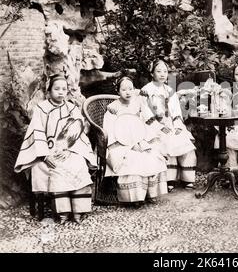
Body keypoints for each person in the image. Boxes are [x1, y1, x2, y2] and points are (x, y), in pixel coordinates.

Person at [14, 74, 96, 224]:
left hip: (70, 150)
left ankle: (78, 210)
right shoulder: (42, 108)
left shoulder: (72, 108)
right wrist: (45, 155)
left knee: (78, 164)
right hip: (47, 151)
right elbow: (36, 132)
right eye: (56, 88)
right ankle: (63, 211)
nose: (61, 92)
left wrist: (69, 149)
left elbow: (78, 132)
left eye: (64, 89)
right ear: (49, 91)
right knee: (50, 168)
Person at [103, 76, 168, 206]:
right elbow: (112, 131)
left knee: (153, 154)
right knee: (133, 159)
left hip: (139, 139)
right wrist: (130, 146)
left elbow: (144, 124)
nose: (128, 92)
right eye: (124, 89)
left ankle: (150, 193)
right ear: (118, 91)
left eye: (130, 89)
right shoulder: (112, 109)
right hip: (120, 144)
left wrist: (145, 141)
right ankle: (134, 197)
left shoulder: (137, 105)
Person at [140, 60, 197, 192]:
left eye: (165, 71)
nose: (162, 74)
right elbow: (145, 113)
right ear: (152, 73)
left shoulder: (170, 90)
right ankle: (169, 179)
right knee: (166, 141)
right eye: (158, 71)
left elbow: (176, 112)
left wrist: (177, 126)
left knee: (183, 139)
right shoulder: (146, 90)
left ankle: (187, 178)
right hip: (152, 126)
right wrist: (159, 126)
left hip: (171, 124)